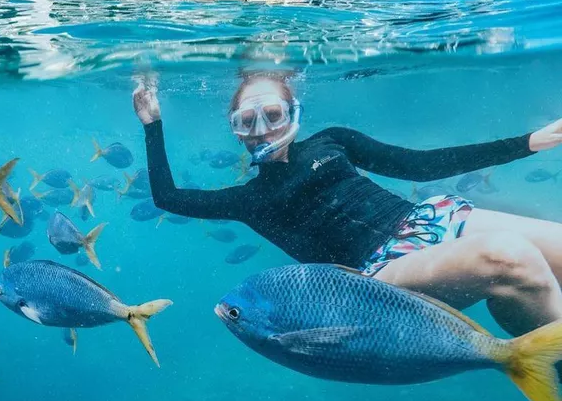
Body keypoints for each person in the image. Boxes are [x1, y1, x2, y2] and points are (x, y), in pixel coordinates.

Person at [133, 71, 562, 345]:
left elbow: (420, 164)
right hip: (376, 275)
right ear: (236, 131)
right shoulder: (247, 200)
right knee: (511, 256)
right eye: (247, 121)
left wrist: (529, 142)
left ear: (293, 114)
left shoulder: (332, 140)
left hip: (430, 219)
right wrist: (153, 124)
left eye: (272, 114)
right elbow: (168, 198)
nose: (261, 130)